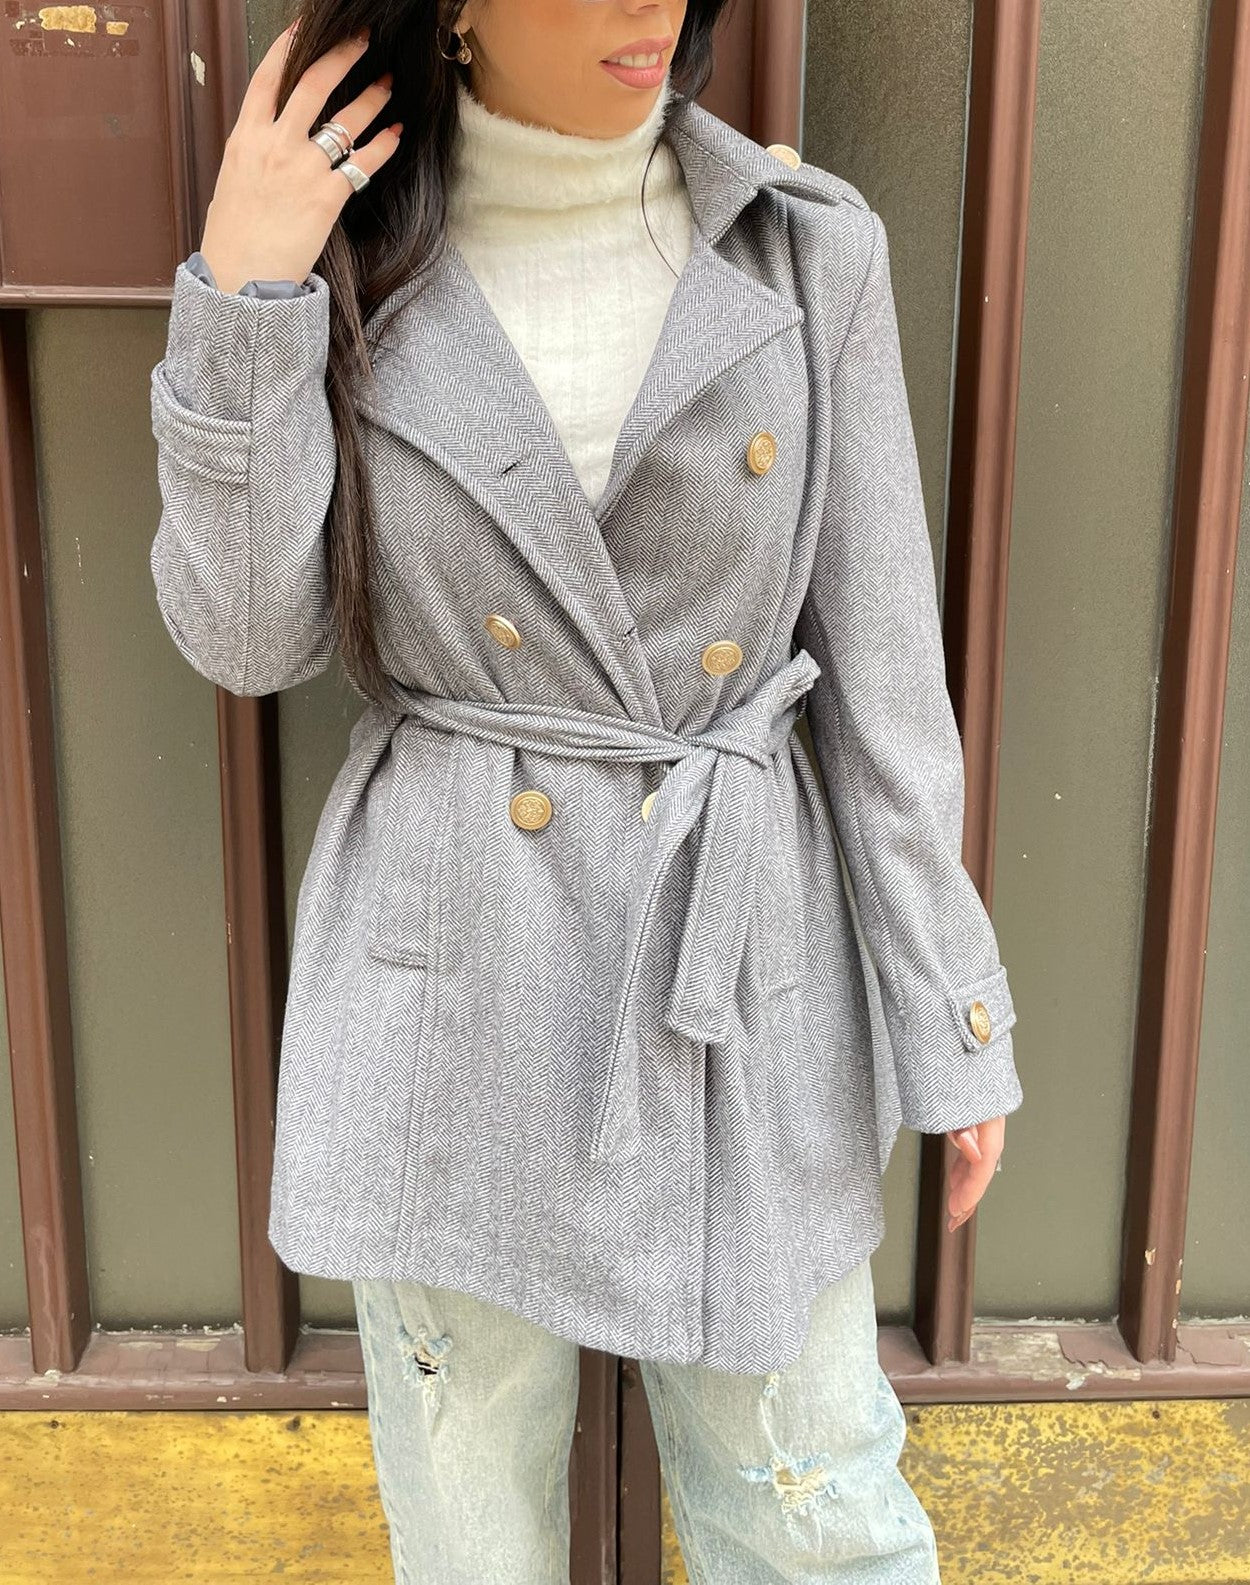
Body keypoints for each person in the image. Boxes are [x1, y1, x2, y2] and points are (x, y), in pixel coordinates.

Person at [148, 2, 1025, 1580]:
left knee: (814, 1516)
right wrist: (245, 290)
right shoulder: (343, 261)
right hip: (451, 977)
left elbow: (886, 687)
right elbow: (247, 637)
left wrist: (949, 1014)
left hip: (729, 975)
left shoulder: (802, 251)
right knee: (471, 1535)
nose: (648, 5)